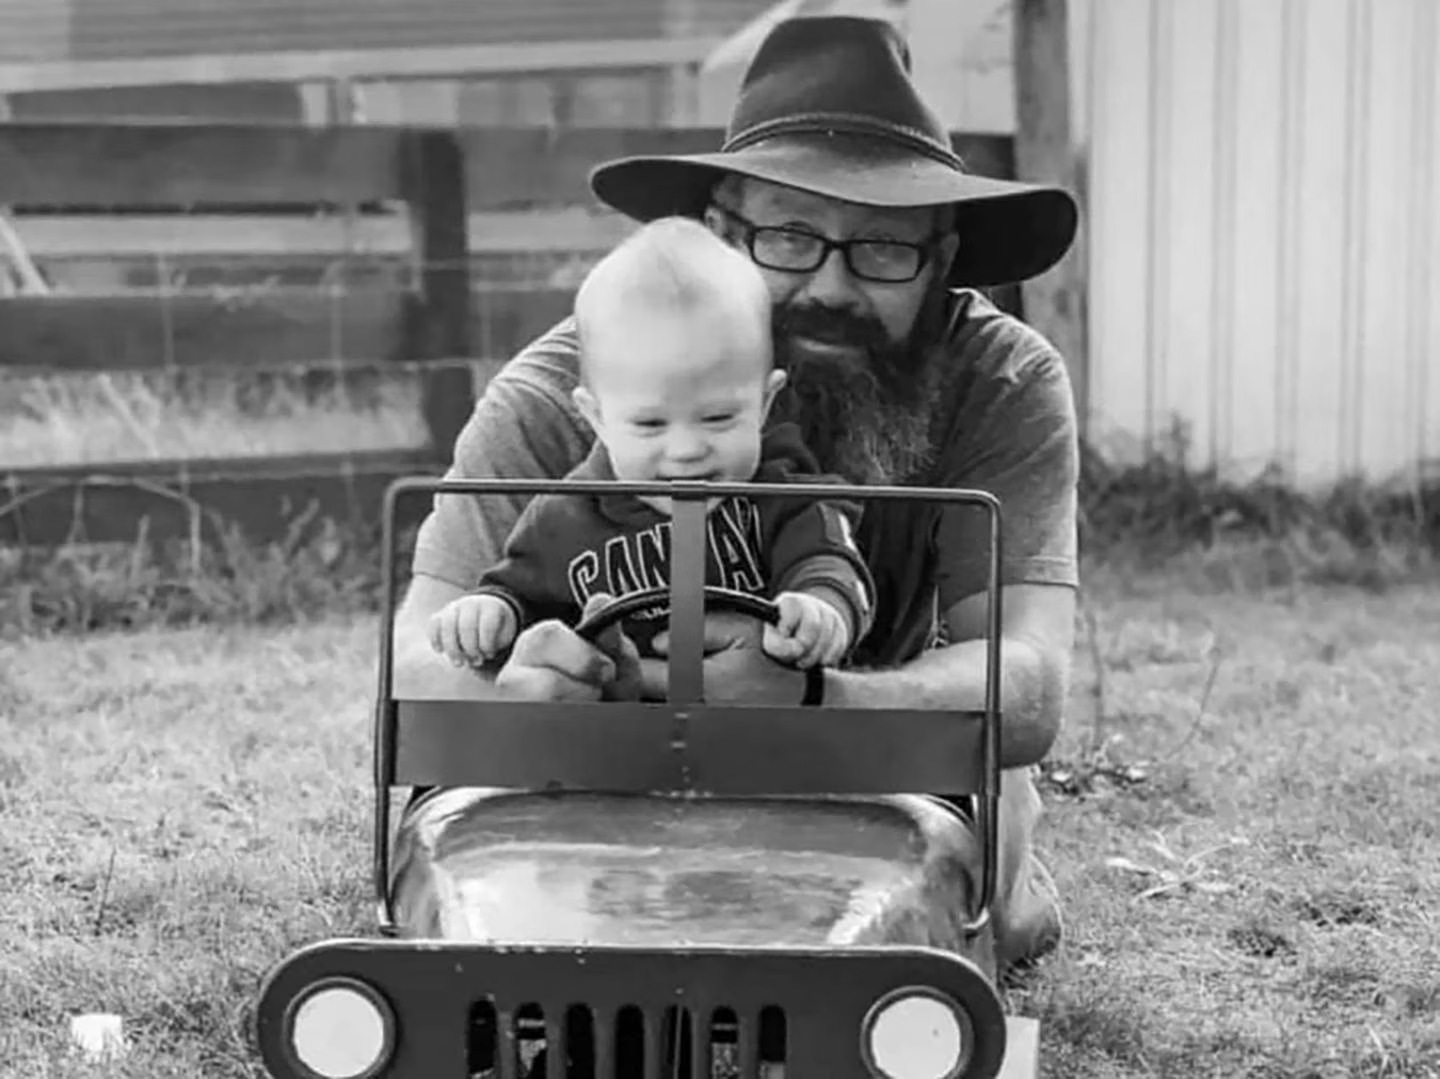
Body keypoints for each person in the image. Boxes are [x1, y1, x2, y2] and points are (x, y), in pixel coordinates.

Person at [393, 15, 1081, 974]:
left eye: (884, 247)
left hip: (869, 777)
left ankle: (989, 893)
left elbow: (1030, 689)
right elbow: (413, 669)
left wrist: (806, 695)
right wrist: (540, 691)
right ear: (723, 230)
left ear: (945, 256)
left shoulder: (999, 381)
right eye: (791, 236)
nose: (832, 287)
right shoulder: (572, 392)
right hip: (596, 778)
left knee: (981, 887)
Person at [426, 216, 874, 674]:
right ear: (596, 417)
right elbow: (522, 592)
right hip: (620, 735)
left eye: (718, 418)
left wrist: (821, 610)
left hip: (760, 728)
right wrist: (490, 612)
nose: (685, 450)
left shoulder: (791, 500)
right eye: (649, 423)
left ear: (764, 403)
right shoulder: (564, 514)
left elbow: (832, 566)